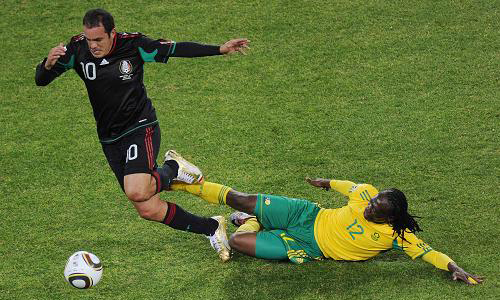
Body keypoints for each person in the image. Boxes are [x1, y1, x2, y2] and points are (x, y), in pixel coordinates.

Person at [35, 8, 249, 262]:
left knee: (136, 191)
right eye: (89, 39)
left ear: (112, 33)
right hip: (109, 138)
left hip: (140, 126)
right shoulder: (77, 49)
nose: (92, 45)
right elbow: (41, 80)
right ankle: (211, 228)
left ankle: (172, 167)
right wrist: (47, 64)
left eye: (98, 40)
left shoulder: (134, 45)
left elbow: (175, 48)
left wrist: (219, 49)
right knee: (147, 208)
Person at [170, 177, 484, 285]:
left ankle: (248, 222)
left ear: (389, 217)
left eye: (376, 209)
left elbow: (430, 254)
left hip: (307, 246)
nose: (368, 207)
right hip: (307, 214)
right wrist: (325, 183)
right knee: (243, 199)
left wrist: (455, 267)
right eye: (372, 201)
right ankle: (180, 182)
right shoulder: (364, 194)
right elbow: (348, 186)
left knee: (239, 243)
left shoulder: (397, 235)